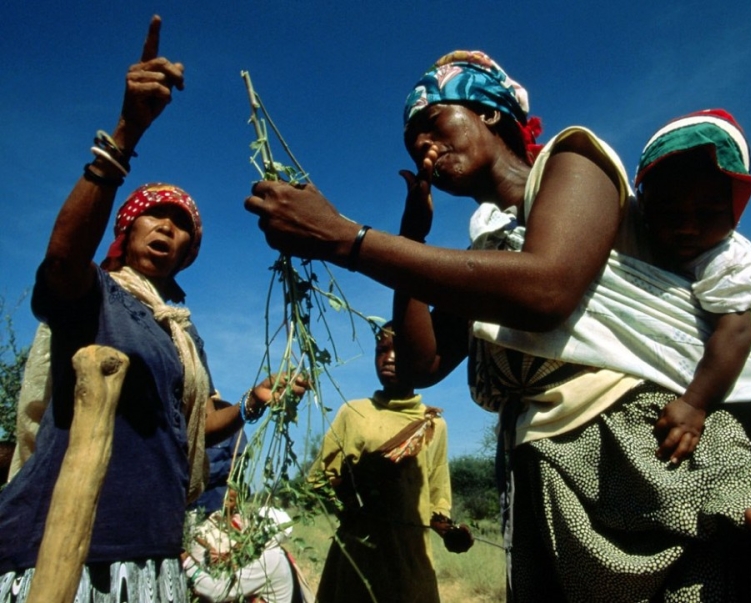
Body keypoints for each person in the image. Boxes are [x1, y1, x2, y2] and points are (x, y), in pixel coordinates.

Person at [243, 50, 751, 600]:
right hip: (544, 466)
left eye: (434, 120)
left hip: (643, 446)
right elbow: (422, 365)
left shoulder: (574, 163)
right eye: (411, 139)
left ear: (489, 112)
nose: (422, 143)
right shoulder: (486, 250)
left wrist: (349, 240)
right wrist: (410, 238)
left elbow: (548, 288)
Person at [0, 17, 290, 602]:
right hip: (71, 553)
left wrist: (252, 405)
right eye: (156, 215)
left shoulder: (179, 331)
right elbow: (60, 263)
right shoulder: (96, 295)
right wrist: (127, 133)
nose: (168, 228)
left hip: (153, 547)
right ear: (125, 229)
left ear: (190, 252)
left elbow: (185, 429)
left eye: (183, 225)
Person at [635, 109, 751, 588]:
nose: (688, 227)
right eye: (671, 214)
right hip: (735, 352)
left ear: (734, 213)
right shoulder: (648, 253)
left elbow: (737, 333)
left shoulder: (727, 258)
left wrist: (695, 404)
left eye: (708, 214)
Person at [308, 323, 472, 603]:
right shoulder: (353, 413)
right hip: (358, 558)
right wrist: (351, 507)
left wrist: (450, 532)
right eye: (382, 350)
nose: (390, 358)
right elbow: (319, 480)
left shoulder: (433, 424)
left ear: (421, 358)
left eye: (402, 351)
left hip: (409, 561)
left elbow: (436, 502)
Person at [183, 491, 312, 603]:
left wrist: (189, 565)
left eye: (255, 526)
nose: (249, 529)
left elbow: (219, 592)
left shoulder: (269, 559)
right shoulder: (272, 553)